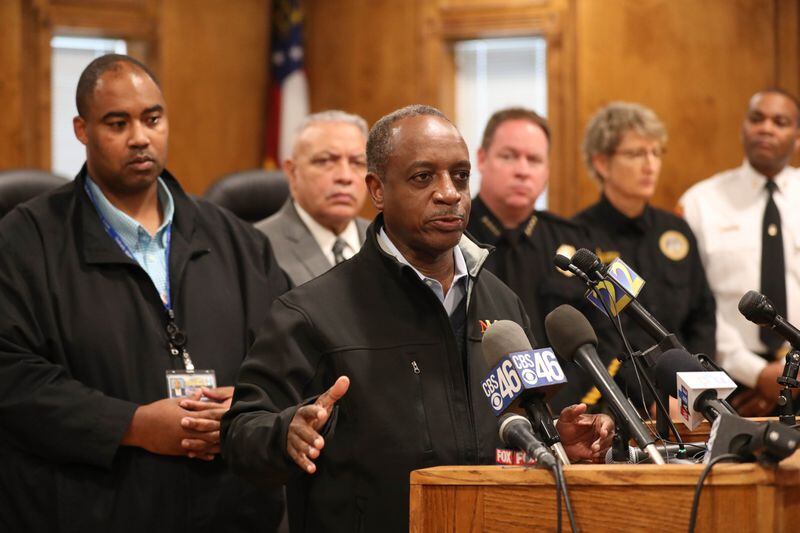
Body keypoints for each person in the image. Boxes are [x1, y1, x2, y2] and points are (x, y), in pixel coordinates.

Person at [221, 104, 614, 533]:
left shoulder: (501, 303)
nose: (449, 193)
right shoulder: (311, 312)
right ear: (377, 189)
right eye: (423, 177)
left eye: (460, 176)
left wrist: (556, 442)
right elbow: (241, 431)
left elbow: (515, 426)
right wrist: (285, 433)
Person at [0, 54, 289, 531]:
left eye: (152, 119)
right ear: (81, 129)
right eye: (117, 123)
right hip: (95, 502)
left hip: (231, 505)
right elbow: (12, 377)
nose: (139, 137)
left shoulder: (238, 239)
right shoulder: (25, 241)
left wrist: (246, 405)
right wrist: (130, 425)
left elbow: (290, 355)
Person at [575, 102, 716, 410]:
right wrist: (650, 395)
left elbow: (702, 317)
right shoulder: (580, 239)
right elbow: (600, 337)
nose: (650, 164)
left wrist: (691, 388)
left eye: (655, 152)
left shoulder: (676, 231)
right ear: (601, 163)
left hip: (685, 405)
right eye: (636, 154)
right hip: (617, 405)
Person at [466, 107, 605, 411]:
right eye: (509, 156)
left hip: (566, 416)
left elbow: (604, 340)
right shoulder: (453, 239)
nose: (522, 169)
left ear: (547, 170)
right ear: (481, 159)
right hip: (476, 417)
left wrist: (561, 411)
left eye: (534, 159)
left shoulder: (573, 242)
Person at [679, 89, 800, 416]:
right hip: (728, 380)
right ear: (743, 129)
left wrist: (791, 375)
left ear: (797, 136)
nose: (767, 128)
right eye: (757, 118)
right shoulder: (700, 203)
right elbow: (695, 304)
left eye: (781, 121)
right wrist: (757, 374)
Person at [256, 110, 369, 286]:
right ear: (292, 173)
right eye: (325, 161)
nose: (345, 176)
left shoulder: (391, 242)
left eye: (358, 163)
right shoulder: (256, 249)